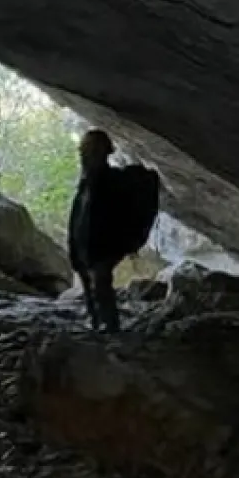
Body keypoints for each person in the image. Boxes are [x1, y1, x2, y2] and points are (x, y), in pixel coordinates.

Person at [67, 129, 161, 332]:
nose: (86, 155)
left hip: (102, 245)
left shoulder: (112, 181)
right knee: (90, 286)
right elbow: (78, 216)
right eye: (86, 150)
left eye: (91, 150)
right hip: (86, 244)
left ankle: (110, 327)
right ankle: (97, 324)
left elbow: (138, 189)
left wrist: (128, 240)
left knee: (101, 284)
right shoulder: (87, 183)